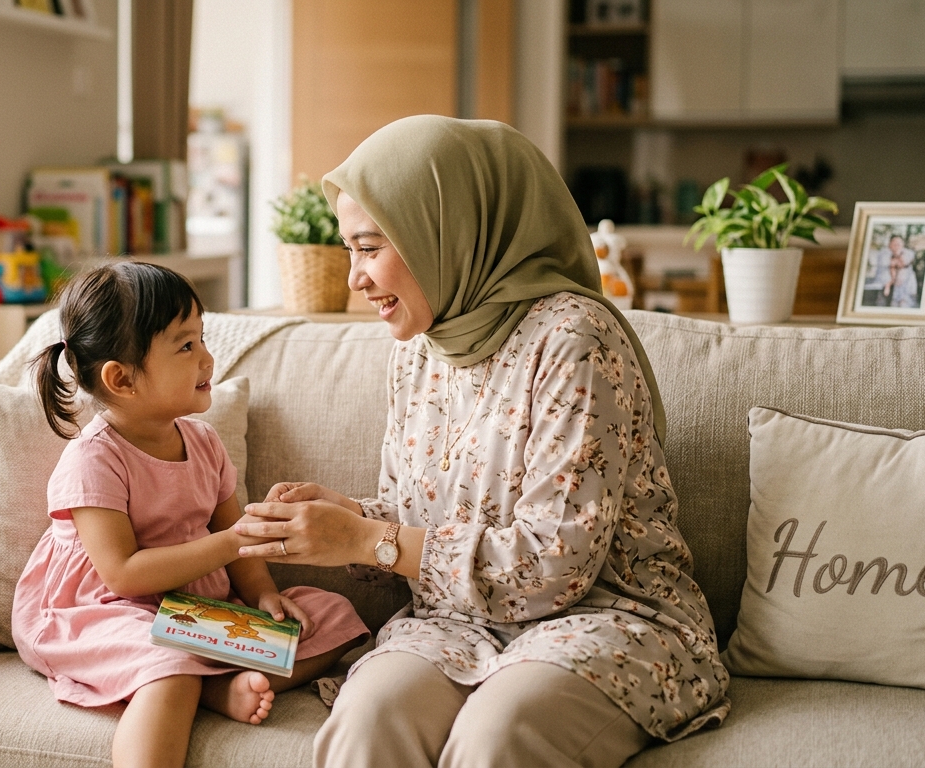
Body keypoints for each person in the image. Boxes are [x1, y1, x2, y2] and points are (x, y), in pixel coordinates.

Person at [232, 116, 731, 768]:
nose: (355, 278)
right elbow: (417, 519)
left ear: (444, 230)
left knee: (499, 731)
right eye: (349, 250)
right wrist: (350, 518)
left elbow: (557, 566)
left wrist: (365, 539)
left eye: (369, 248)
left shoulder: (573, 338)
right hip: (456, 623)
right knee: (369, 715)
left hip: (604, 618)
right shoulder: (419, 349)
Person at [12, 262, 369, 768]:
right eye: (185, 346)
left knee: (332, 617)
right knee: (167, 665)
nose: (207, 358)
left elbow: (237, 544)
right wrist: (232, 541)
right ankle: (196, 681)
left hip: (188, 609)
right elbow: (124, 573)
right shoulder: (94, 459)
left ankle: (213, 685)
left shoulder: (204, 443)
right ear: (121, 378)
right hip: (103, 612)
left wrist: (263, 595)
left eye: (202, 339)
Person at [881, 234, 919, 308]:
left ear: (903, 244)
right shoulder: (887, 255)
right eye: (894, 243)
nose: (897, 245)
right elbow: (891, 269)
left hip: (908, 288)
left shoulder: (908, 253)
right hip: (895, 289)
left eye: (899, 243)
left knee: (906, 305)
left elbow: (902, 263)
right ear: (890, 245)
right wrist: (887, 286)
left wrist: (896, 257)